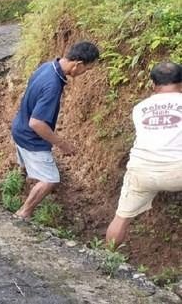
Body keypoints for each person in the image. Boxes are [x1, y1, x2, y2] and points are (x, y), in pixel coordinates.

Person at [11, 42, 100, 219]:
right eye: (86, 70)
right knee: (50, 179)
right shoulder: (53, 85)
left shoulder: (47, 66)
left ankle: (20, 192)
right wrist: (63, 145)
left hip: (18, 127)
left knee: (31, 169)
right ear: (78, 64)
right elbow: (37, 123)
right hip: (31, 138)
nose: (84, 74)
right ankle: (23, 214)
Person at [106, 62, 182, 247]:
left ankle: (107, 259)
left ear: (153, 84)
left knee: (121, 217)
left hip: (141, 171)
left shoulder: (139, 108)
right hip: (178, 172)